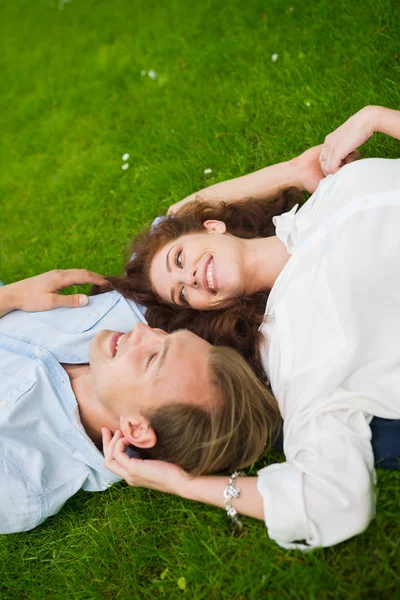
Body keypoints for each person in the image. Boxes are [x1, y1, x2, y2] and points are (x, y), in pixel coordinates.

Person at [102, 105, 400, 550]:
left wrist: (377, 118)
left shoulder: (330, 191)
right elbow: (334, 502)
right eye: (182, 295)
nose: (188, 278)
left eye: (178, 259)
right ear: (206, 310)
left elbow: (175, 212)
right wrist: (183, 483)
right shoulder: (293, 349)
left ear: (214, 226)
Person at [0, 270, 275, 533]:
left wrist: (10, 298)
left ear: (136, 429)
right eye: (165, 335)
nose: (143, 331)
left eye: (153, 358)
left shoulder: (20, 483)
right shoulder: (139, 313)